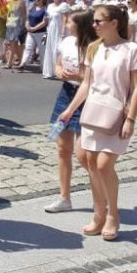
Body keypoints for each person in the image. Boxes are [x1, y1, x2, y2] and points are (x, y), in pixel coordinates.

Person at [57, 5, 137, 241]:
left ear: (114, 22)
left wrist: (131, 119)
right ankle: (99, 214)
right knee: (90, 162)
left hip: (117, 115)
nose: (94, 25)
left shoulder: (132, 50)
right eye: (94, 21)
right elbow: (87, 84)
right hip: (93, 112)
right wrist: (69, 109)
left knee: (105, 164)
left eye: (98, 21)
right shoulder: (94, 48)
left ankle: (112, 215)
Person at [44, 11, 96, 213]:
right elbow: (58, 63)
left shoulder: (93, 46)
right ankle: (64, 198)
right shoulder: (66, 42)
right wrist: (59, 71)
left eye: (70, 22)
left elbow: (93, 78)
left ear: (81, 25)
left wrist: (79, 76)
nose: (66, 24)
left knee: (84, 155)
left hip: (88, 96)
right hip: (67, 91)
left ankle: (101, 196)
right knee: (62, 150)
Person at [43, 0, 71, 79]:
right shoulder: (50, 6)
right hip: (51, 29)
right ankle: (50, 72)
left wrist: (63, 32)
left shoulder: (64, 5)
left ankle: (60, 72)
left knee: (58, 50)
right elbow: (47, 19)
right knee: (50, 50)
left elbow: (65, 19)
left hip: (59, 30)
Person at [18, 0, 48, 70]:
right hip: (30, 33)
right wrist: (27, 25)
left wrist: (34, 28)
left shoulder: (45, 9)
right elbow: (27, 18)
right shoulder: (32, 8)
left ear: (43, 0)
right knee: (28, 47)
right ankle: (23, 63)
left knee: (43, 50)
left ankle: (44, 66)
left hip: (43, 33)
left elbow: (45, 22)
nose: (36, 0)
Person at [4, 0, 27, 69]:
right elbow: (9, 13)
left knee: (12, 43)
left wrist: (24, 25)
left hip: (18, 24)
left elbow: (24, 14)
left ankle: (9, 63)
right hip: (10, 24)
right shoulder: (11, 1)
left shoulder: (21, 1)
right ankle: (21, 61)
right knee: (15, 45)